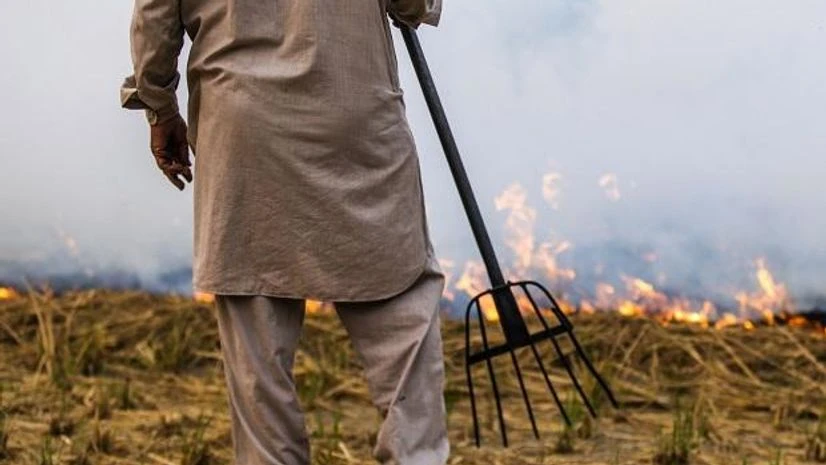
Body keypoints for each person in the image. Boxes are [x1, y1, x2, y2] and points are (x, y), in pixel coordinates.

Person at [120, 0, 448, 464]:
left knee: (259, 353)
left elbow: (155, 19)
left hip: (244, 129)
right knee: (402, 314)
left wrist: (158, 106)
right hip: (354, 124)